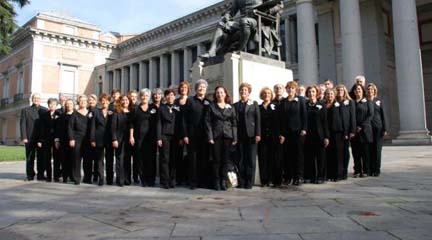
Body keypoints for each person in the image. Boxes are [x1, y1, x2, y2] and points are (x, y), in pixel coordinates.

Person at [205, 86, 237, 191]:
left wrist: (234, 137)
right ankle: (216, 181)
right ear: (215, 95)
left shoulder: (230, 107)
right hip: (216, 136)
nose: (220, 94)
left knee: (225, 160)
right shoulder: (211, 106)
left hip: (227, 136)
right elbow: (208, 122)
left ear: (225, 94)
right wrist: (210, 137)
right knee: (216, 160)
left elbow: (234, 123)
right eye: (218, 93)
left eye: (221, 92)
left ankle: (223, 181)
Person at [183, 79, 211, 189]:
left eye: (203, 87)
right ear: (195, 89)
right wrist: (185, 135)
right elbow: (184, 119)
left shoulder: (208, 102)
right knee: (193, 159)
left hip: (204, 135)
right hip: (192, 135)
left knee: (203, 159)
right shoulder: (190, 101)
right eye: (199, 87)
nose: (201, 89)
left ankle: (202, 181)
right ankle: (193, 182)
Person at [278, 81, 307, 186]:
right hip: (287, 133)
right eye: (289, 88)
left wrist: (304, 128)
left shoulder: (300, 100)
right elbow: (281, 119)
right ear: (286, 89)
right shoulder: (283, 102)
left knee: (298, 155)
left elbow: (304, 116)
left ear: (295, 90)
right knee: (288, 155)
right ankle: (288, 177)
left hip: (298, 132)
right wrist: (282, 133)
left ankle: (298, 176)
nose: (290, 90)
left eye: (292, 88)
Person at [234, 82, 261, 189]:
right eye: (241, 90)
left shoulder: (254, 104)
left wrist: (258, 133)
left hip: (251, 135)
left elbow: (258, 119)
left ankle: (249, 181)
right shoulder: (236, 105)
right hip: (240, 135)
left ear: (249, 92)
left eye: (245, 90)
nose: (243, 92)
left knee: (250, 159)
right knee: (241, 159)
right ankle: (242, 181)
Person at [130, 89, 158, 187]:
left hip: (151, 138)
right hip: (139, 138)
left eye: (146, 95)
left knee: (151, 159)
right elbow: (132, 124)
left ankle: (151, 179)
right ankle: (143, 179)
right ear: (140, 97)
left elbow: (158, 123)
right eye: (142, 95)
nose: (144, 97)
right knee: (140, 159)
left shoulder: (153, 107)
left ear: (149, 97)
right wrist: (131, 136)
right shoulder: (136, 109)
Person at [304, 85, 329, 184]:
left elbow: (325, 122)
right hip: (308, 135)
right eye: (309, 92)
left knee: (321, 157)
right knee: (309, 157)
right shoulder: (305, 105)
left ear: (317, 93)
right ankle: (312, 176)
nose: (311, 93)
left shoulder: (321, 105)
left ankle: (321, 176)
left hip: (319, 135)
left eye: (313, 92)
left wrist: (326, 136)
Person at [157, 89, 182, 189]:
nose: (170, 97)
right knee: (165, 159)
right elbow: (158, 123)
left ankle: (172, 179)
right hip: (164, 135)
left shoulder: (178, 108)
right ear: (165, 97)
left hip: (175, 136)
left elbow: (180, 124)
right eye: (168, 95)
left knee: (173, 159)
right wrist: (159, 138)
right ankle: (165, 180)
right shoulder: (161, 109)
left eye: (172, 95)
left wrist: (181, 136)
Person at [21, 93, 48, 181]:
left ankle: (40, 175)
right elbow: (23, 124)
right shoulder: (25, 110)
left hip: (41, 138)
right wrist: (24, 137)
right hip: (29, 137)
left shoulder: (45, 110)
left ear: (40, 100)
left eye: (38, 98)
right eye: (34, 98)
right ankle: (30, 175)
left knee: (41, 157)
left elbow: (46, 125)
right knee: (29, 158)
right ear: (32, 99)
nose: (36, 99)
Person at [350, 84, 374, 178]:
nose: (357, 91)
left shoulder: (368, 101)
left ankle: (366, 170)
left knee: (365, 152)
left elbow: (370, 116)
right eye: (355, 89)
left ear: (362, 91)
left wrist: (361, 126)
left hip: (365, 131)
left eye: (359, 89)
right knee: (356, 152)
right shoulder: (351, 102)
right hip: (354, 131)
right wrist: (354, 127)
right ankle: (357, 170)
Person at [68, 95, 92, 185]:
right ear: (79, 102)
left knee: (88, 159)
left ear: (86, 102)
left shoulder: (90, 113)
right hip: (77, 139)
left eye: (84, 101)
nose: (82, 102)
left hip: (88, 139)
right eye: (81, 101)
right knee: (76, 159)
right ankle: (76, 178)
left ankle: (87, 178)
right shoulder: (74, 114)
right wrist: (71, 139)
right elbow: (70, 128)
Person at [258, 87, 279, 187]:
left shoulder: (275, 106)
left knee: (273, 159)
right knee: (263, 159)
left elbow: (280, 120)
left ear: (271, 95)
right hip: (262, 137)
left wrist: (281, 134)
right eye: (264, 93)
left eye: (268, 93)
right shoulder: (258, 107)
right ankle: (264, 181)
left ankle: (273, 180)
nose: (266, 95)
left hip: (273, 136)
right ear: (262, 95)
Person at [90, 93, 112, 186]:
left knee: (109, 159)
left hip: (110, 139)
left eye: (106, 100)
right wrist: (92, 139)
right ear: (100, 101)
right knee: (99, 160)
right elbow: (93, 127)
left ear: (109, 101)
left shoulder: (112, 112)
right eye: (103, 100)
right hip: (98, 139)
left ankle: (110, 179)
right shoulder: (96, 112)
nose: (104, 102)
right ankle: (101, 178)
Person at [37, 98, 61, 182]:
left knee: (56, 158)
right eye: (50, 104)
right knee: (47, 158)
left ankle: (56, 176)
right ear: (48, 105)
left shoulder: (59, 114)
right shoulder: (44, 115)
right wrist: (40, 140)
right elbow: (41, 129)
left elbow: (59, 128)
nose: (52, 105)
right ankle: (49, 176)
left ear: (56, 105)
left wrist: (57, 139)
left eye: (54, 104)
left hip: (56, 139)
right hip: (46, 139)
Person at [335, 84, 356, 180]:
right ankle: (339, 171)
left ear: (344, 91)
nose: (340, 91)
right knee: (338, 152)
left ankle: (344, 170)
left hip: (347, 131)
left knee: (345, 152)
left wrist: (352, 130)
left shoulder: (350, 102)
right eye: (338, 90)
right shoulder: (335, 102)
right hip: (337, 131)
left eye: (341, 90)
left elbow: (353, 117)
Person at [367, 83, 387, 177]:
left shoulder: (378, 101)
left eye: (372, 89)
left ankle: (377, 169)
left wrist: (385, 128)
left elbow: (383, 115)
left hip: (378, 128)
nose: (370, 91)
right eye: (369, 89)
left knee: (377, 150)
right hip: (368, 128)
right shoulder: (365, 101)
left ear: (374, 91)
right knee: (370, 149)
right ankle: (370, 169)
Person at [324, 88, 345, 181]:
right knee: (328, 154)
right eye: (328, 94)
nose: (330, 96)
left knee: (338, 154)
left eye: (331, 94)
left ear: (334, 95)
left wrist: (345, 132)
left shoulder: (339, 105)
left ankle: (338, 174)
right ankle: (329, 174)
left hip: (337, 132)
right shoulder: (323, 105)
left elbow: (344, 119)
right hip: (327, 132)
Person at [111, 95, 132, 187]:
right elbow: (113, 127)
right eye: (123, 100)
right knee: (120, 158)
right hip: (119, 138)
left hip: (129, 139)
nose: (125, 101)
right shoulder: (117, 112)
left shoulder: (132, 112)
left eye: (126, 100)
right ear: (120, 102)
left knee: (127, 159)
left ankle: (127, 179)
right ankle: (120, 179)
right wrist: (114, 139)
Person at [55, 99, 75, 183]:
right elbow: (58, 129)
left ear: (73, 105)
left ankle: (72, 176)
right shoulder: (62, 116)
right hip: (63, 140)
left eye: (70, 104)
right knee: (64, 159)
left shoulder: (76, 115)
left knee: (73, 159)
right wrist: (57, 140)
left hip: (73, 140)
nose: (68, 105)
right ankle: (65, 176)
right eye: (67, 104)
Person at [175, 81, 190, 185]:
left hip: (189, 132)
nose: (183, 89)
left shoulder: (191, 101)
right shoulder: (176, 102)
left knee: (189, 156)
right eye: (181, 87)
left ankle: (188, 177)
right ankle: (179, 178)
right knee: (178, 156)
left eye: (185, 87)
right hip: (177, 131)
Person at [84, 94, 98, 184]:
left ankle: (96, 176)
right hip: (86, 138)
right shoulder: (85, 111)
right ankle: (87, 177)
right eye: (89, 100)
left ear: (96, 101)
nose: (91, 101)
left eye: (93, 100)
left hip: (96, 138)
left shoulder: (98, 111)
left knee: (96, 159)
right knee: (87, 159)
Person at [127, 90, 140, 184]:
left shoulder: (138, 107)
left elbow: (134, 124)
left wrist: (132, 136)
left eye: (135, 96)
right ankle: (127, 177)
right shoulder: (126, 107)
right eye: (131, 96)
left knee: (136, 158)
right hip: (125, 135)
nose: (133, 98)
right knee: (127, 157)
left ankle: (135, 177)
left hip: (135, 135)